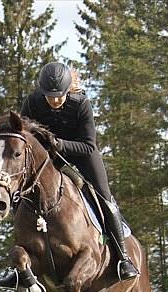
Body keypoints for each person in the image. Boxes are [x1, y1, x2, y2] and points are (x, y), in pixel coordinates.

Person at [19, 61, 139, 280]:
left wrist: (61, 144)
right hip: (49, 157)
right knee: (21, 191)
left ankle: (123, 257)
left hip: (82, 154)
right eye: (50, 96)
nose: (54, 100)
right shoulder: (33, 103)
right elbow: (23, 135)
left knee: (104, 197)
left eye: (59, 96)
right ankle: (19, 265)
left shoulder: (81, 103)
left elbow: (88, 145)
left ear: (67, 91)